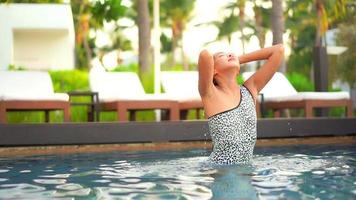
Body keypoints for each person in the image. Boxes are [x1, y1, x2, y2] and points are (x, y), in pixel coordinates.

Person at [198, 44, 284, 165]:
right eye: (222, 56)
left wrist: (239, 59)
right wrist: (223, 63)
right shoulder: (210, 94)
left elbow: (278, 50)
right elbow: (204, 55)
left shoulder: (250, 89)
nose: (229, 55)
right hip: (222, 171)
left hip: (246, 172)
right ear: (213, 70)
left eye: (230, 54)